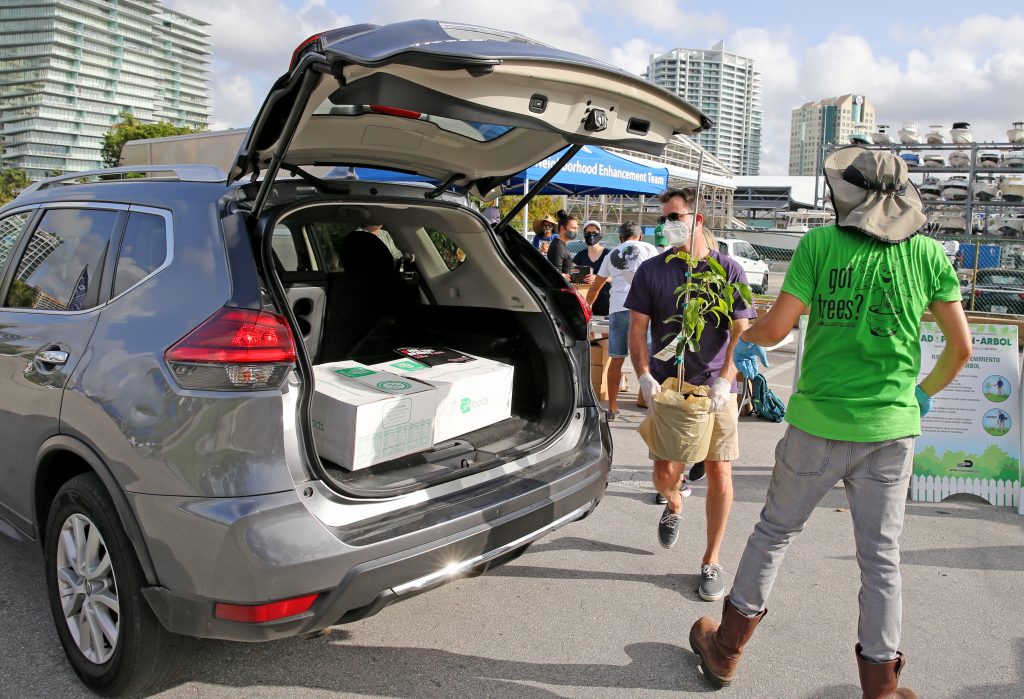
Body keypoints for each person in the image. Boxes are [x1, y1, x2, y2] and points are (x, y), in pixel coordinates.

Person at [688, 147, 971, 697]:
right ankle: (882, 688)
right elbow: (960, 348)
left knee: (773, 533)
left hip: (816, 424)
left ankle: (725, 651)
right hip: (891, 430)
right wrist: (922, 395)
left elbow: (775, 331)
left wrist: (740, 333)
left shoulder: (818, 245)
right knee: (882, 560)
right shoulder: (930, 256)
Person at [625, 187, 755, 602]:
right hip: (670, 388)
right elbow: (636, 329)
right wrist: (644, 375)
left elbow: (740, 332)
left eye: (674, 216)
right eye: (662, 218)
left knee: (720, 471)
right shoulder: (652, 271)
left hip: (716, 387)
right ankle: (674, 500)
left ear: (697, 218)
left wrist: (725, 379)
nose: (667, 225)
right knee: (665, 472)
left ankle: (712, 559)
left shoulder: (728, 270)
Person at [586, 221, 657, 418]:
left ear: (620, 238)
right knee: (648, 358)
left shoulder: (612, 254)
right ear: (640, 236)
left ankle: (613, 407)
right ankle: (652, 405)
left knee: (616, 359)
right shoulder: (650, 248)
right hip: (643, 310)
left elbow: (595, 287)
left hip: (618, 308)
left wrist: (587, 309)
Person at [573, 220, 611, 316]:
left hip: (605, 302)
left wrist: (598, 279)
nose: (591, 235)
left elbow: (616, 276)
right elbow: (573, 275)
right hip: (585, 303)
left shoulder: (608, 254)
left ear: (600, 235)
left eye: (594, 233)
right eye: (588, 233)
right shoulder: (580, 255)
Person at [546, 209, 578, 279]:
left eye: (576, 228)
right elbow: (555, 272)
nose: (576, 231)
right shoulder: (557, 247)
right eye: (573, 228)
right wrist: (565, 276)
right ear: (562, 228)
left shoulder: (561, 245)